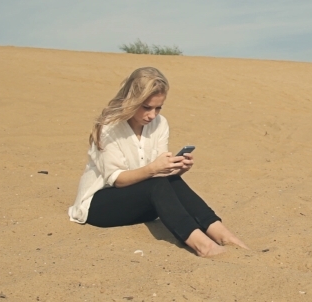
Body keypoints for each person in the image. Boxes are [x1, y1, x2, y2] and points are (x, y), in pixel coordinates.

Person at [68, 67, 248, 257]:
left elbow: (159, 176)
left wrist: (177, 169)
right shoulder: (109, 127)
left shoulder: (160, 124)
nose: (152, 115)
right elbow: (117, 180)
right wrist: (153, 169)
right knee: (156, 183)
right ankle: (203, 246)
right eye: (146, 107)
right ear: (131, 100)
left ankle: (222, 235)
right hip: (99, 206)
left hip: (141, 203)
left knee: (170, 181)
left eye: (158, 108)